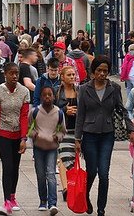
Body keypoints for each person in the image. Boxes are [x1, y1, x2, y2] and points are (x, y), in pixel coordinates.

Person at [75, 56, 134, 216]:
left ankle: (101, 209)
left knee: (104, 173)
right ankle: (86, 196)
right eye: (99, 71)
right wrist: (77, 138)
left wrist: (130, 129)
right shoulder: (84, 89)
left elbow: (122, 110)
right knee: (92, 171)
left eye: (105, 71)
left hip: (107, 134)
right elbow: (80, 115)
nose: (102, 74)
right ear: (93, 72)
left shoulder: (114, 88)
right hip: (89, 135)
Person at [0, 62, 30, 214]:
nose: (14, 76)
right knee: (8, 167)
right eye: (11, 73)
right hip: (3, 134)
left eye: (17, 73)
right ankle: (6, 200)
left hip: (18, 134)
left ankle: (13, 196)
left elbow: (24, 115)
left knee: (15, 167)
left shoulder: (24, 91)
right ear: (5, 74)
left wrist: (23, 138)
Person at [28, 86, 65, 215]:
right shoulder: (35, 112)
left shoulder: (59, 113)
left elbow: (62, 130)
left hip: (52, 148)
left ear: (54, 97)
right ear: (41, 97)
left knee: (50, 174)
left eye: (50, 95)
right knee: (40, 175)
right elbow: (29, 127)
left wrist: (58, 137)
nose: (47, 97)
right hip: (38, 147)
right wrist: (33, 134)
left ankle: (52, 203)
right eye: (45, 95)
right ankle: (43, 201)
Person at [56, 65, 79, 203]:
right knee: (64, 158)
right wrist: (64, 109)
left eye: (73, 75)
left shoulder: (80, 91)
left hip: (77, 130)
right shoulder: (57, 92)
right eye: (69, 75)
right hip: (63, 130)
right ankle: (66, 189)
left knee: (74, 159)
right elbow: (50, 109)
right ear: (62, 77)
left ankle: (73, 185)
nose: (72, 77)